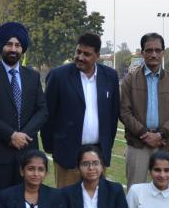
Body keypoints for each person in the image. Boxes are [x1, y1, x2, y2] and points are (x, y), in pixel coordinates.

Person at [0, 22, 48, 200]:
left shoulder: (33, 76)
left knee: (28, 202)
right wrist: (11, 135)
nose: (13, 49)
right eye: (9, 44)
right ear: (1, 47)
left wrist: (23, 135)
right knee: (1, 203)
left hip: (28, 151)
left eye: (17, 45)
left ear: (22, 48)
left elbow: (42, 110)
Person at [42, 33, 120, 188]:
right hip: (68, 155)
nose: (80, 57)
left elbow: (113, 115)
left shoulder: (110, 76)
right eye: (78, 52)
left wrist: (105, 147)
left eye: (87, 54)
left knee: (96, 205)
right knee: (67, 205)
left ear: (97, 56)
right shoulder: (58, 76)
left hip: (98, 154)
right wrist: (53, 148)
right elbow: (47, 115)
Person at [120, 33, 169, 189]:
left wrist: (161, 134)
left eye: (158, 50)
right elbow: (124, 112)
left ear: (163, 53)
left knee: (165, 192)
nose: (153, 54)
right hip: (138, 145)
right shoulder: (130, 80)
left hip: (164, 143)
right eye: (149, 50)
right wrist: (144, 134)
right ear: (142, 53)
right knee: (135, 192)